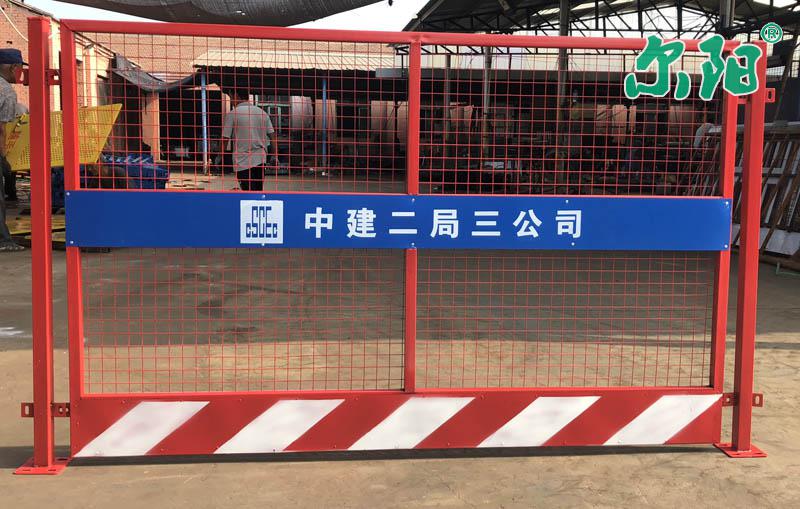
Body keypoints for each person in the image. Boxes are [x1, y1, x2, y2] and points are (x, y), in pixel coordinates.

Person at [221, 89, 277, 191]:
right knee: (258, 189)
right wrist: (275, 156)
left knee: (247, 191)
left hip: (242, 160)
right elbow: (273, 137)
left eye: (231, 97)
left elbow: (225, 138)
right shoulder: (262, 113)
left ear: (236, 95)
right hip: (260, 158)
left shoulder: (233, 114)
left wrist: (220, 156)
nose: (231, 101)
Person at [0, 48, 26, 252]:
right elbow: (1, 129)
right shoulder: (6, 91)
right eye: (20, 69)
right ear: (12, 67)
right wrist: (3, 157)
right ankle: (3, 240)